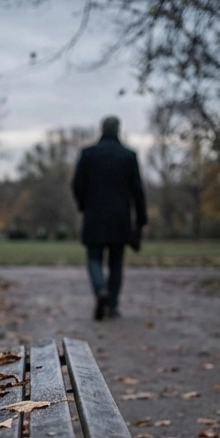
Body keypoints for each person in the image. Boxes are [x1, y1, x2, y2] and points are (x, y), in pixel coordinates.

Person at [71, 115, 148, 320]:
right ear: (118, 130)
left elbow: (77, 184)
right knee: (116, 262)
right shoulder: (128, 156)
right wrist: (141, 219)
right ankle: (112, 305)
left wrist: (83, 205)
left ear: (102, 129)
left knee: (93, 258)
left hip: (94, 215)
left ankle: (100, 290)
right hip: (120, 218)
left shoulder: (88, 154)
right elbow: (138, 190)